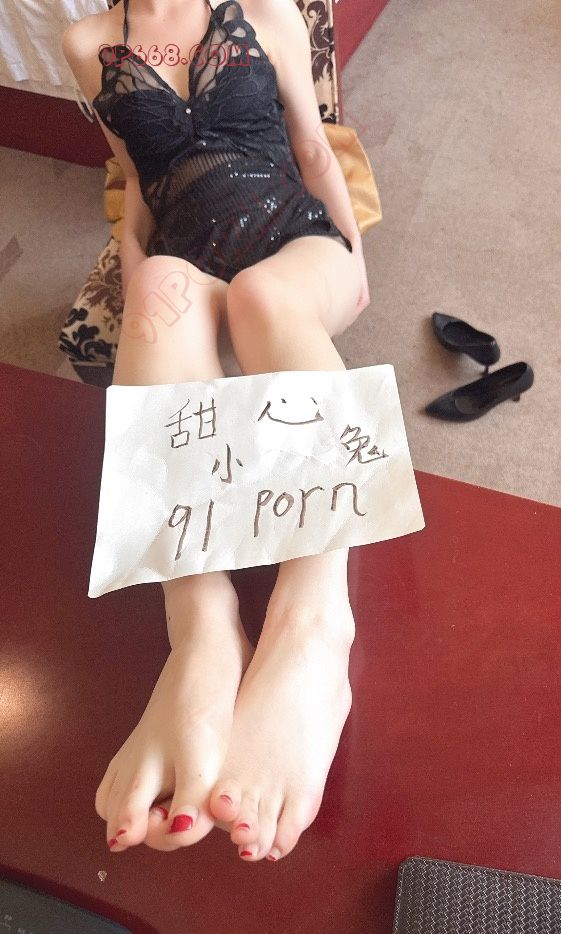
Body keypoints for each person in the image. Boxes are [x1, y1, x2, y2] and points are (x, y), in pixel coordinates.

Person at [62, 0, 369, 864]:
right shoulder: (87, 42)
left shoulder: (266, 12)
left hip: (294, 241)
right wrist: (139, 277)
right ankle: (200, 629)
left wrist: (354, 258)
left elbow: (312, 146)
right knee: (161, 286)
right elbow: (136, 180)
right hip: (187, 251)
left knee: (264, 297)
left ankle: (315, 625)